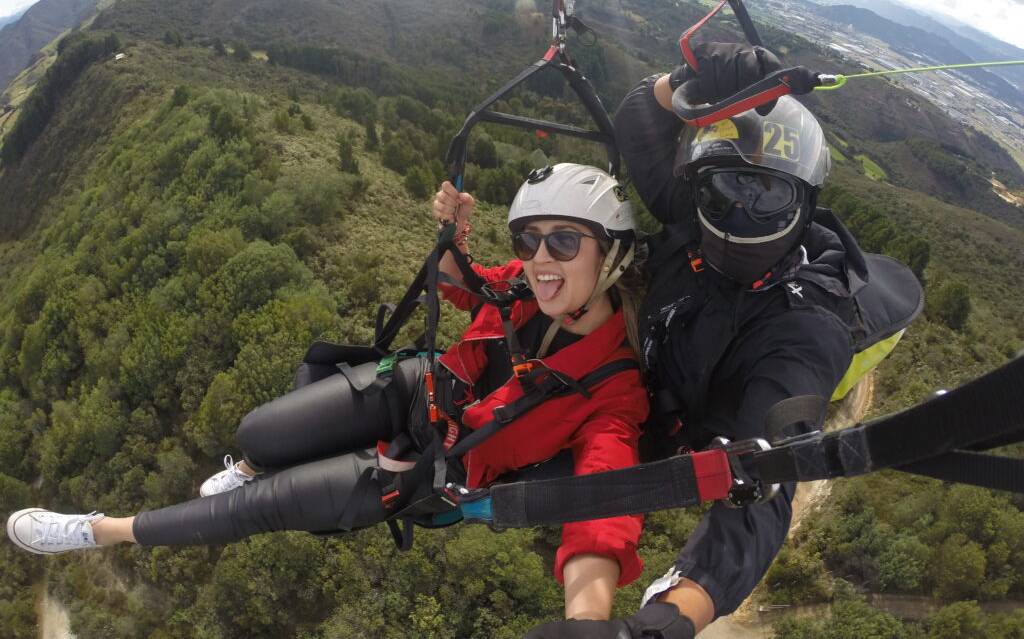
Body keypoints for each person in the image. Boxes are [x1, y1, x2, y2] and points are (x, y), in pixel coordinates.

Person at [7, 162, 649, 621]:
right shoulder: (526, 286)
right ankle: (252, 465)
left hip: (432, 467)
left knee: (258, 509)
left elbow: (603, 506)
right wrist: (454, 235)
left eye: (564, 241)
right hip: (420, 386)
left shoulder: (611, 390)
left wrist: (587, 617)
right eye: (530, 239)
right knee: (257, 433)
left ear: (612, 253)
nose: (541, 260)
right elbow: (458, 282)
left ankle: (97, 532)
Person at [522, 43, 870, 638]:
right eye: (724, 192)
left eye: (767, 197)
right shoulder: (693, 216)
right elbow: (639, 116)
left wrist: (666, 619)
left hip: (661, 431)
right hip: (614, 374)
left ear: (806, 203)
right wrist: (686, 78)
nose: (739, 211)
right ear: (699, 186)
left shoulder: (805, 329)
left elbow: (770, 478)